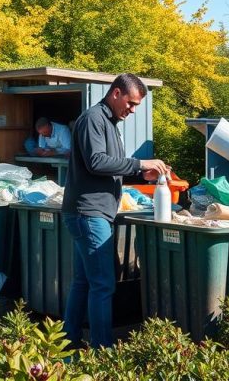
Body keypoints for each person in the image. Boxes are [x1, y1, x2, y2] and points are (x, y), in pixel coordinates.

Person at [62, 73, 169, 349]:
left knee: (84, 282)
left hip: (91, 213)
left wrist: (140, 175)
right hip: (89, 213)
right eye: (131, 104)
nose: (132, 111)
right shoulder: (93, 120)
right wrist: (140, 162)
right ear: (116, 93)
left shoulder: (109, 123)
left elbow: (111, 167)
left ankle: (66, 344)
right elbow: (96, 162)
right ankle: (103, 350)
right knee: (103, 285)